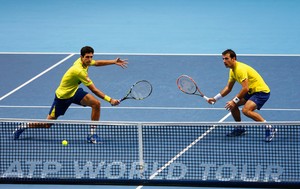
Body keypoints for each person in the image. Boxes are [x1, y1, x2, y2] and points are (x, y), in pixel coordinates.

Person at [13, 46, 128, 143]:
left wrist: (113, 61)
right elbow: (94, 90)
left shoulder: (84, 63)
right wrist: (110, 100)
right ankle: (24, 125)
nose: (89, 59)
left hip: (74, 91)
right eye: (87, 57)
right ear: (81, 57)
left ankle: (92, 135)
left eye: (91, 56)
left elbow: (97, 63)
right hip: (62, 97)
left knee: (96, 104)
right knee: (47, 124)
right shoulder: (79, 70)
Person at [207, 49, 276, 142]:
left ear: (233, 58)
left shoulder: (240, 69)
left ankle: (269, 127)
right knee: (233, 106)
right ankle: (240, 128)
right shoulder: (232, 71)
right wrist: (215, 98)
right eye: (223, 59)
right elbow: (228, 88)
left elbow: (245, 88)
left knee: (246, 110)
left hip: (261, 92)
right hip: (252, 91)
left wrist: (233, 101)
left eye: (226, 58)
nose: (224, 61)